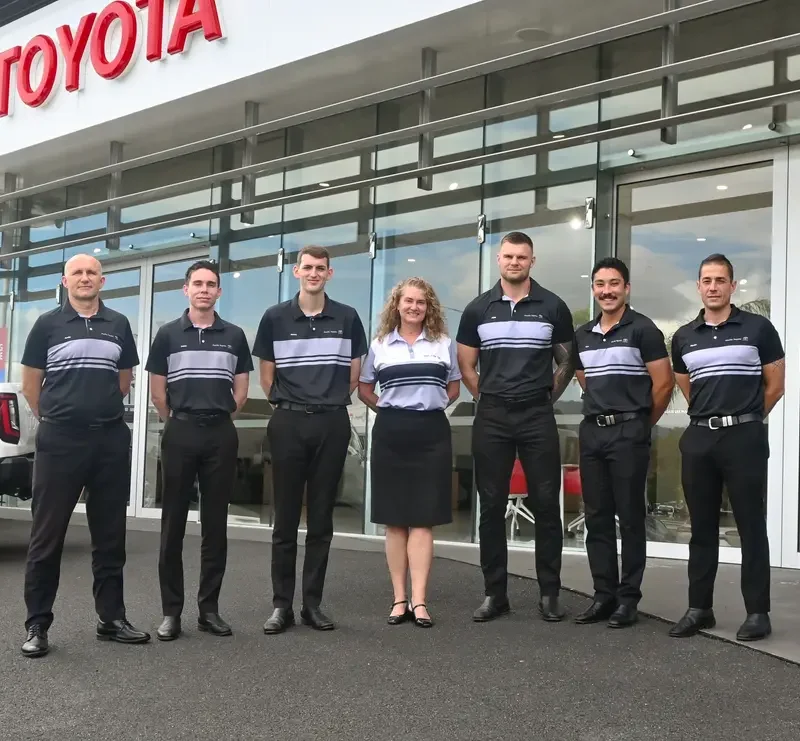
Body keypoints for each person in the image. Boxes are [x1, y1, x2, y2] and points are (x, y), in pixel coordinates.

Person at [19, 253, 150, 658]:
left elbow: (124, 380)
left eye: (92, 272)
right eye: (77, 272)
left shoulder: (119, 325)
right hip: (61, 442)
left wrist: (97, 410)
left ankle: (111, 619)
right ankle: (37, 624)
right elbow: (31, 386)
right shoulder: (47, 324)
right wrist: (62, 417)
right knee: (47, 536)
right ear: (65, 280)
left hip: (109, 440)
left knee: (110, 536)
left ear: (102, 280)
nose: (85, 278)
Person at [457, 231, 576, 623]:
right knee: (490, 506)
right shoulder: (477, 310)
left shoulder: (553, 306)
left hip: (536, 415)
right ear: (499, 260)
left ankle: (549, 593)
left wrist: (543, 399)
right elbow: (467, 366)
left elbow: (565, 363)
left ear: (532, 261)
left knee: (546, 504)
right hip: (492, 416)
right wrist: (489, 397)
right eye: (508, 256)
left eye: (521, 257)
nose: (514, 262)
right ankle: (495, 594)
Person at [669, 253, 784, 642]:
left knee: (751, 526)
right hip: (700, 438)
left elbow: (776, 385)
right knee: (701, 529)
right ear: (699, 286)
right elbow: (687, 386)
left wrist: (745, 418)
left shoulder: (758, 329)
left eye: (721, 280)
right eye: (707, 280)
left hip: (744, 438)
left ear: (733, 286)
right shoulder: (684, 336)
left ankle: (757, 612)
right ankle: (699, 608)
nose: (713, 286)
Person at [253, 245, 367, 634]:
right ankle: (281, 605)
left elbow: (354, 374)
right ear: (296, 272)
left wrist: (325, 400)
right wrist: (291, 404)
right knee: (284, 519)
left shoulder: (348, 317)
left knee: (321, 519)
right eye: (308, 267)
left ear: (329, 274)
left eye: (321, 268)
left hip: (331, 423)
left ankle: (312, 604)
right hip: (288, 423)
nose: (314, 273)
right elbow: (266, 377)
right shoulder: (274, 318)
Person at [145, 260, 253, 641]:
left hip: (220, 433)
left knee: (215, 525)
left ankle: (209, 610)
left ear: (219, 292)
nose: (204, 289)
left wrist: (217, 416)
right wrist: (181, 418)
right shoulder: (167, 334)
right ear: (186, 289)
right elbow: (158, 394)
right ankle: (171, 613)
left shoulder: (235, 335)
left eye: (211, 284)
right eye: (198, 283)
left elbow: (241, 393)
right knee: (172, 524)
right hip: (182, 431)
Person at [572, 258, 674, 629]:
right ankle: (604, 595)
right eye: (600, 284)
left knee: (630, 518)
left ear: (626, 288)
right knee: (597, 517)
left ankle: (628, 599)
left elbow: (663, 384)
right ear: (594, 289)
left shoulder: (643, 330)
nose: (607, 291)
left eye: (614, 283)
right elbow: (587, 381)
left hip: (629, 432)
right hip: (593, 432)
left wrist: (640, 425)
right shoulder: (582, 335)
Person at [358, 278, 461, 628]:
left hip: (431, 433)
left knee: (423, 518)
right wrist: (388, 408)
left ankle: (419, 601)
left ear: (428, 307)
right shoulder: (381, 345)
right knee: (395, 519)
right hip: (391, 433)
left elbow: (454, 387)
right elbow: (365, 387)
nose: (414, 307)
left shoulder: (444, 344)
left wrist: (428, 407)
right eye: (408, 301)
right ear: (397, 305)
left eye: (421, 302)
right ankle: (398, 599)